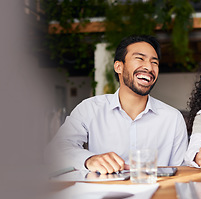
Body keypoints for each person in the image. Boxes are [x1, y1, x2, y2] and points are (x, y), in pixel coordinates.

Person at [46, 35, 188, 174]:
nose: (149, 67)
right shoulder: (90, 109)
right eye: (140, 58)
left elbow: (182, 172)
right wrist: (89, 160)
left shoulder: (173, 119)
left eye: (154, 62)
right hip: (103, 194)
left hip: (158, 193)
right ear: (118, 67)